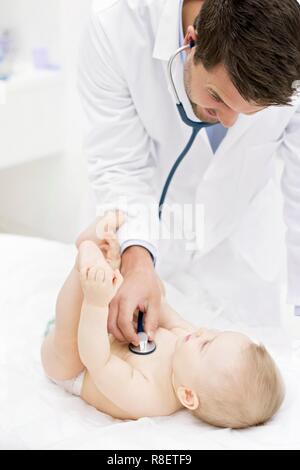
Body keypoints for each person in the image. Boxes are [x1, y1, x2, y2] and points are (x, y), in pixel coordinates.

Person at [77, 0, 300, 345]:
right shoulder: (118, 24)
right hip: (150, 238)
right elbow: (119, 165)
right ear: (191, 40)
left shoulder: (292, 43)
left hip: (242, 255)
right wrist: (137, 261)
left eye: (249, 112)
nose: (227, 120)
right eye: (217, 97)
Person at [41, 215, 284, 428]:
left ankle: (84, 261)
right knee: (148, 291)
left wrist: (95, 303)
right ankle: (106, 257)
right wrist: (151, 292)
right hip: (104, 333)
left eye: (206, 345)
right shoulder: (187, 341)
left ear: (188, 395)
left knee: (69, 352)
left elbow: (97, 361)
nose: (203, 332)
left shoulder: (150, 395)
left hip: (79, 370)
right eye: (216, 334)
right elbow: (163, 309)